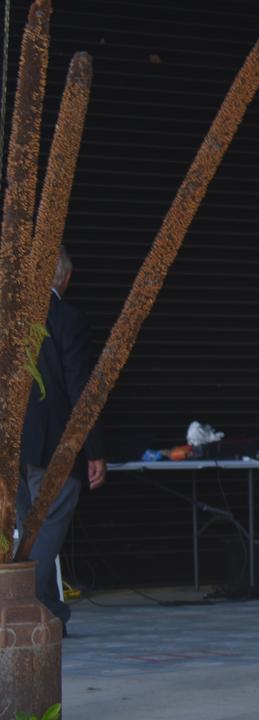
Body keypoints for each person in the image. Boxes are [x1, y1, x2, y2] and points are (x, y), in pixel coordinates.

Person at [19, 246, 106, 636]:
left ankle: (51, 612)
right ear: (66, 278)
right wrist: (94, 449)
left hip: (14, 445)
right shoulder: (67, 318)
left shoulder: (13, 318)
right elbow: (79, 388)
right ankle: (29, 607)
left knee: (27, 525)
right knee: (47, 526)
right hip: (53, 444)